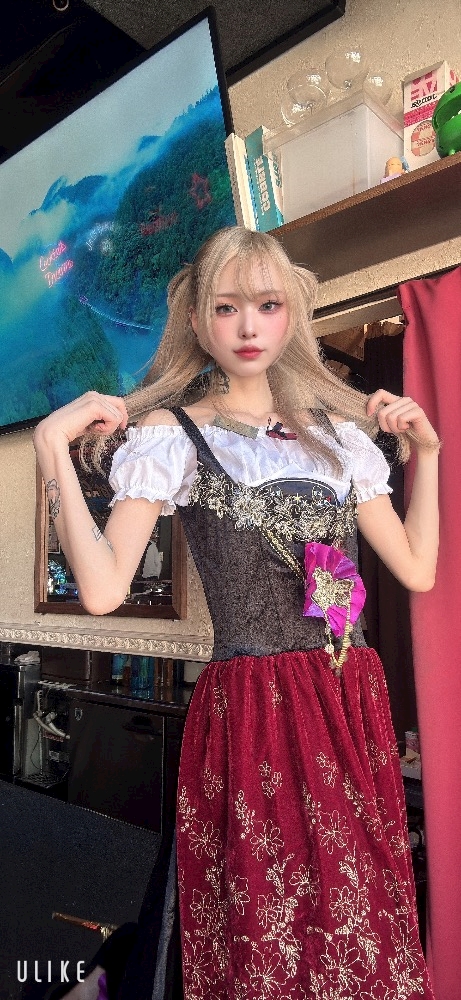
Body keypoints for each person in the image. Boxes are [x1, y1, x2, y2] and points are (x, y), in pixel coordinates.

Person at [33, 226, 440, 1000]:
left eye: (266, 305)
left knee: (359, 916)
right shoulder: (172, 435)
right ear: (197, 321)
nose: (248, 326)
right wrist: (54, 449)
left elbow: (416, 568)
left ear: (291, 316)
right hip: (256, 705)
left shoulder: (339, 439)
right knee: (268, 917)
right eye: (226, 308)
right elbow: (104, 589)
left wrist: (430, 455)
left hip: (348, 696)